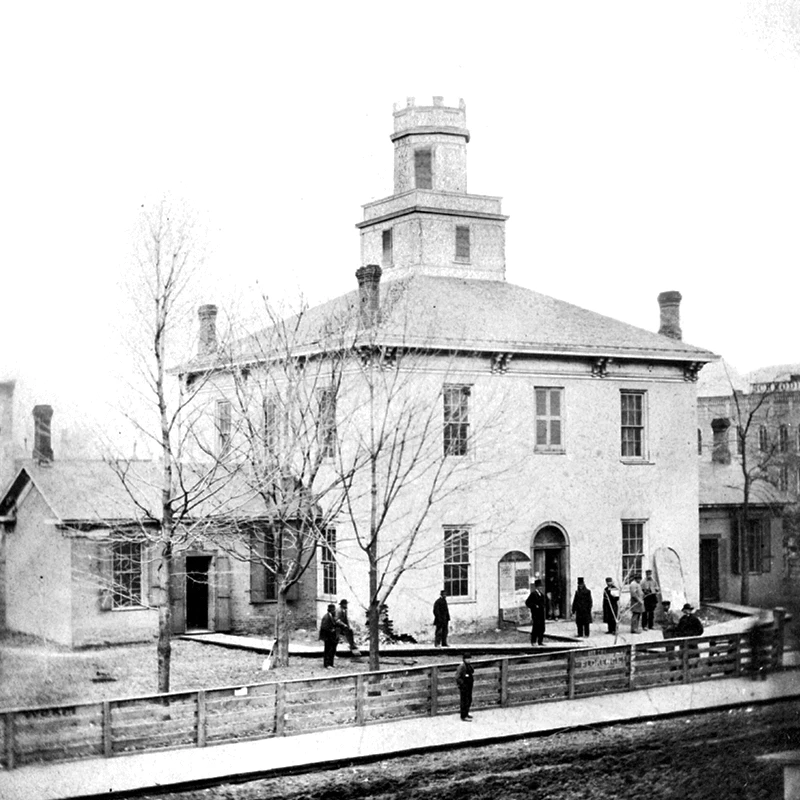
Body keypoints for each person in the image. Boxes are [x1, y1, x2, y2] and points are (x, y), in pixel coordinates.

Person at [525, 579, 546, 646]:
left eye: (541, 587)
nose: (541, 588)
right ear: (537, 587)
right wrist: (534, 606)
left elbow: (543, 603)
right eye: (540, 587)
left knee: (542, 628)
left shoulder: (542, 595)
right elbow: (527, 602)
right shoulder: (533, 594)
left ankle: (540, 641)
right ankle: (533, 641)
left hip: (541, 614)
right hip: (536, 614)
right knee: (536, 628)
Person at [455, 652, 475, 721]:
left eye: (469, 659)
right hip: (464, 686)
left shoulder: (469, 666)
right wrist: (462, 684)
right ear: (464, 659)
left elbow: (472, 671)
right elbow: (457, 677)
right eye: (467, 659)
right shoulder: (462, 666)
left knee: (469, 699)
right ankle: (463, 715)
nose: (468, 660)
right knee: (464, 700)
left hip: (469, 685)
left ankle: (466, 713)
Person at [319, 603, 339, 668]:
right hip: (327, 637)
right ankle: (326, 664)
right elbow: (324, 627)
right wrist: (331, 630)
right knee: (327, 651)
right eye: (334, 610)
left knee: (332, 650)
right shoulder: (326, 617)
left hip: (332, 637)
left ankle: (331, 663)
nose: (335, 611)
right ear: (330, 610)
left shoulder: (332, 617)